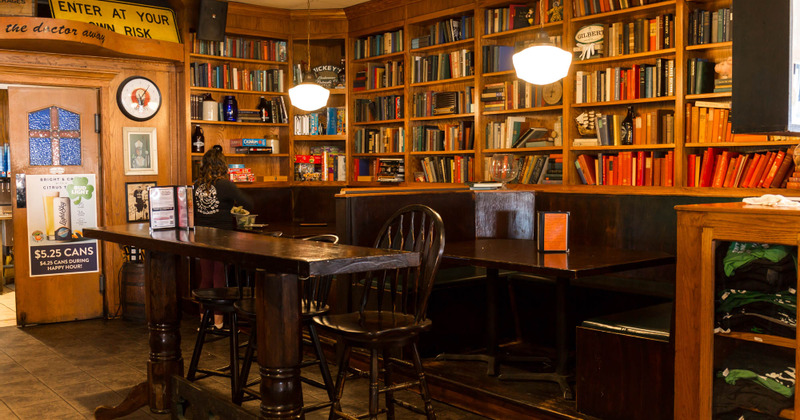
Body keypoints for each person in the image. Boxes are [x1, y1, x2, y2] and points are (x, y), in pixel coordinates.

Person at [193, 145, 254, 329]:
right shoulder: (225, 185)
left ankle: (203, 319)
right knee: (219, 274)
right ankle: (218, 322)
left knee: (205, 277)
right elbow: (249, 202)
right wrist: (230, 206)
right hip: (222, 238)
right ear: (222, 165)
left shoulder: (196, 185)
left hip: (202, 237)